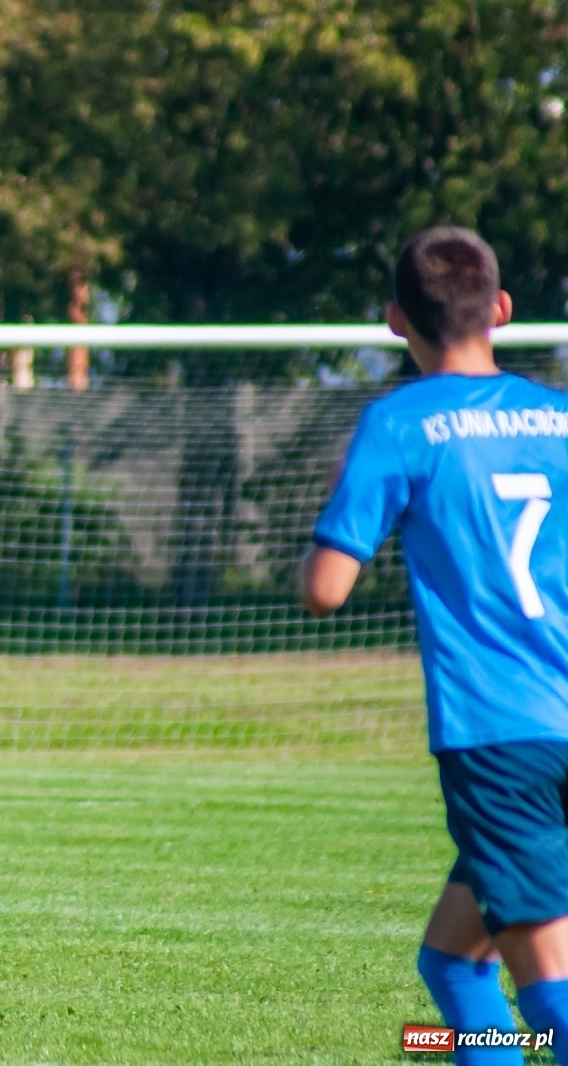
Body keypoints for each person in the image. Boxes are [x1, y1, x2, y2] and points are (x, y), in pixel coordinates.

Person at [302, 227, 568, 1065]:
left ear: (393, 320)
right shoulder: (559, 417)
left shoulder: (402, 423)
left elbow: (325, 588)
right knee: (452, 964)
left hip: (502, 733)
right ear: (500, 310)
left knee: (551, 997)